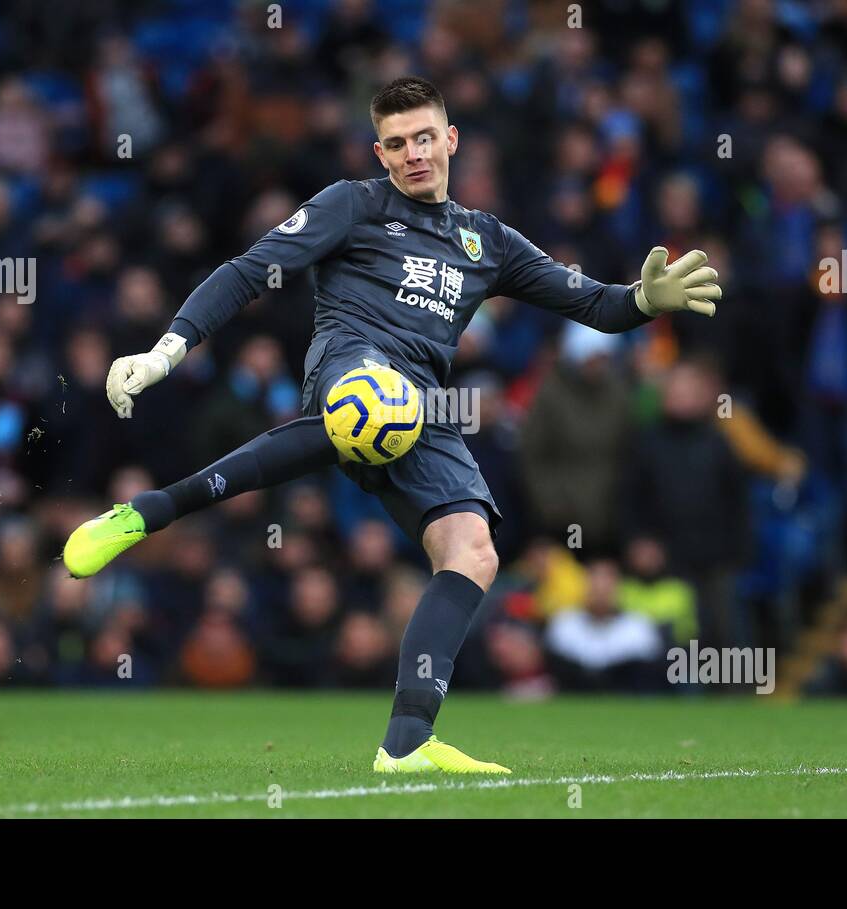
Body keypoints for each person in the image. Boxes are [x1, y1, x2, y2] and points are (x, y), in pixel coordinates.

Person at [61, 76, 721, 773]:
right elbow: (250, 270)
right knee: (381, 400)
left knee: (473, 549)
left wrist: (644, 299)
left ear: (450, 140)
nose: (413, 154)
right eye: (398, 143)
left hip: (419, 405)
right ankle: (143, 514)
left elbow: (591, 303)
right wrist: (168, 349)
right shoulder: (352, 205)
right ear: (380, 152)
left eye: (425, 137)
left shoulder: (485, 240)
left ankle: (405, 743)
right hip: (349, 366)